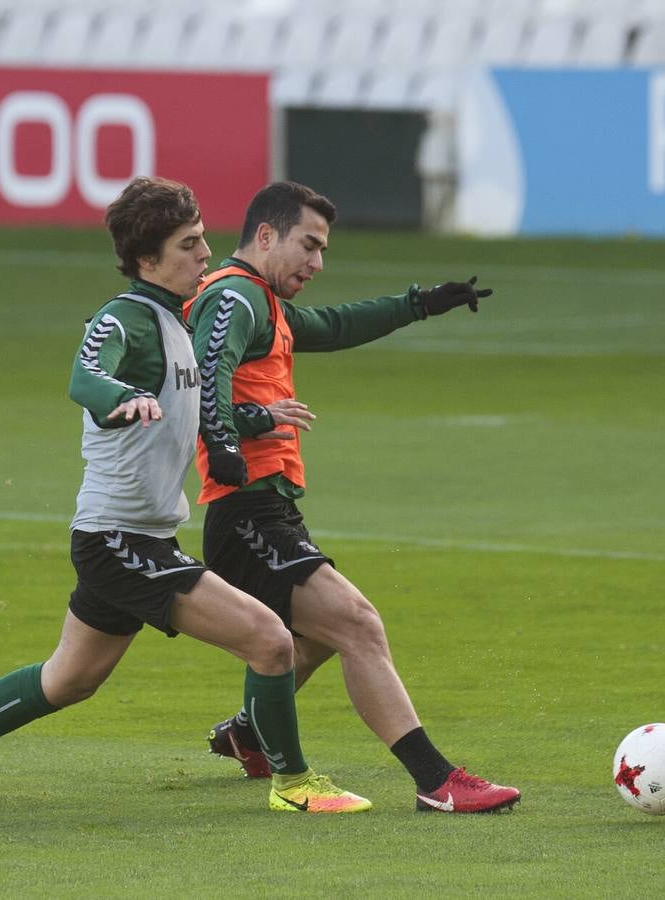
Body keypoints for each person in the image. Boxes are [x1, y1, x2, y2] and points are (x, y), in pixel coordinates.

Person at [0, 176, 369, 814]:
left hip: (132, 540)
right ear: (148, 260)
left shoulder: (179, 321)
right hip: (119, 541)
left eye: (203, 238)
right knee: (271, 639)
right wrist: (122, 397)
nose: (206, 253)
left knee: (67, 680)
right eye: (189, 244)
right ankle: (294, 785)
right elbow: (83, 375)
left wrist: (257, 421)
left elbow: (196, 409)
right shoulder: (127, 317)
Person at [184, 181, 520, 814]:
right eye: (309, 246)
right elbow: (205, 383)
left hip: (268, 508)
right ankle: (436, 781)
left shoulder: (262, 302)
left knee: (313, 639)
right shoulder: (233, 297)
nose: (318, 263)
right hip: (243, 509)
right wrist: (241, 431)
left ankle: (248, 735)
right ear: (265, 236)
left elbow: (334, 325)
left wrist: (420, 303)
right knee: (359, 624)